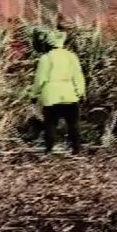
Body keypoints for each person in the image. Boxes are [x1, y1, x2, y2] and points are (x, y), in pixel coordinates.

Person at [30, 28, 85, 156]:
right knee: (73, 123)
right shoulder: (71, 56)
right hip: (69, 93)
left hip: (51, 95)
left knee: (50, 123)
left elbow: (40, 78)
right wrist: (81, 93)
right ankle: (76, 148)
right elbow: (78, 76)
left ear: (48, 44)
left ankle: (49, 149)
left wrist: (34, 94)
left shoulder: (46, 58)